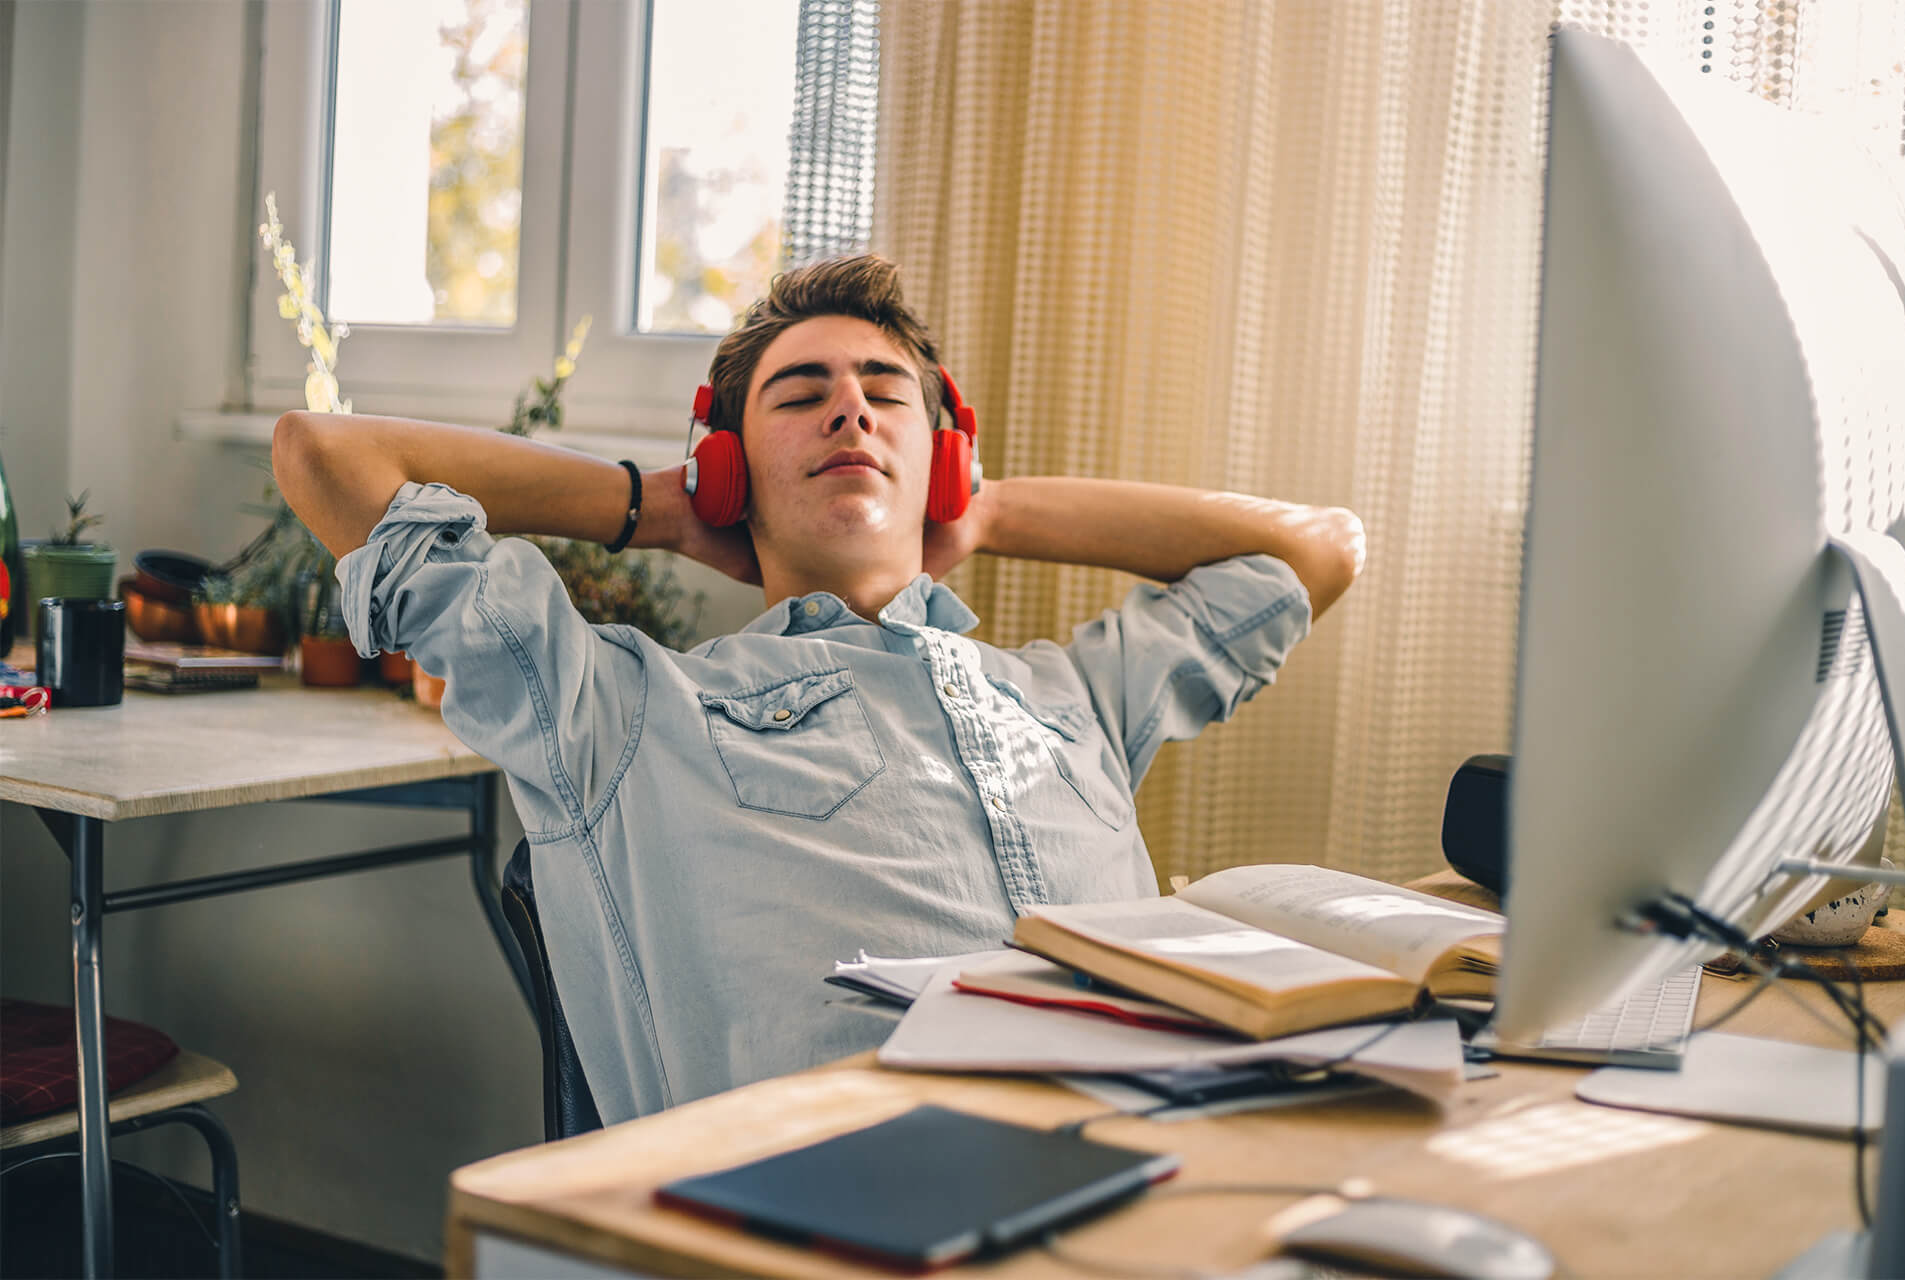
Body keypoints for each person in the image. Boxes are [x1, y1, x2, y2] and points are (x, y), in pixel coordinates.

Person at [272, 254, 1365, 1123]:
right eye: (804, 396)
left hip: (1162, 1179)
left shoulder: (1072, 694)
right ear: (728, 465)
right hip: (846, 1223)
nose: (851, 411)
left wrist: (988, 510)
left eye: (886, 394)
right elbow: (326, 455)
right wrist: (657, 502)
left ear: (941, 457)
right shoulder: (621, 712)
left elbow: (1315, 552)